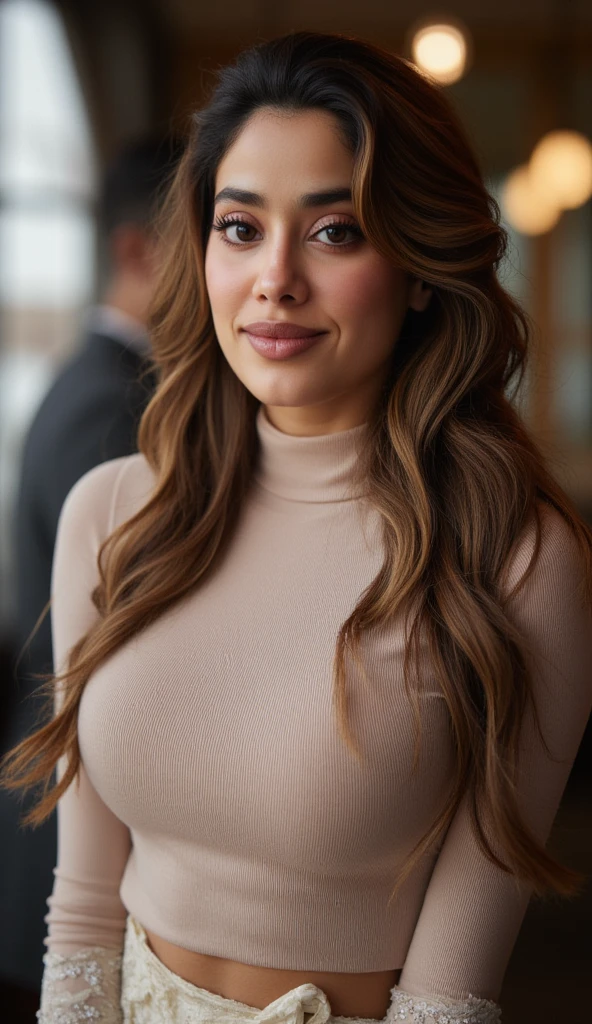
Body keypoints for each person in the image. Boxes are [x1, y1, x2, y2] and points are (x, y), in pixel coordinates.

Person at [2, 30, 592, 1024]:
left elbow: (449, 992)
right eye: (239, 227)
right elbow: (85, 909)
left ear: (416, 265)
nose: (275, 277)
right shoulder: (112, 511)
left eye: (335, 231)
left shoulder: (516, 558)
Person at [0, 134, 183, 1017]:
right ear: (136, 250)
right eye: (223, 233)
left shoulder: (99, 383)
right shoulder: (117, 409)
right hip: (71, 829)